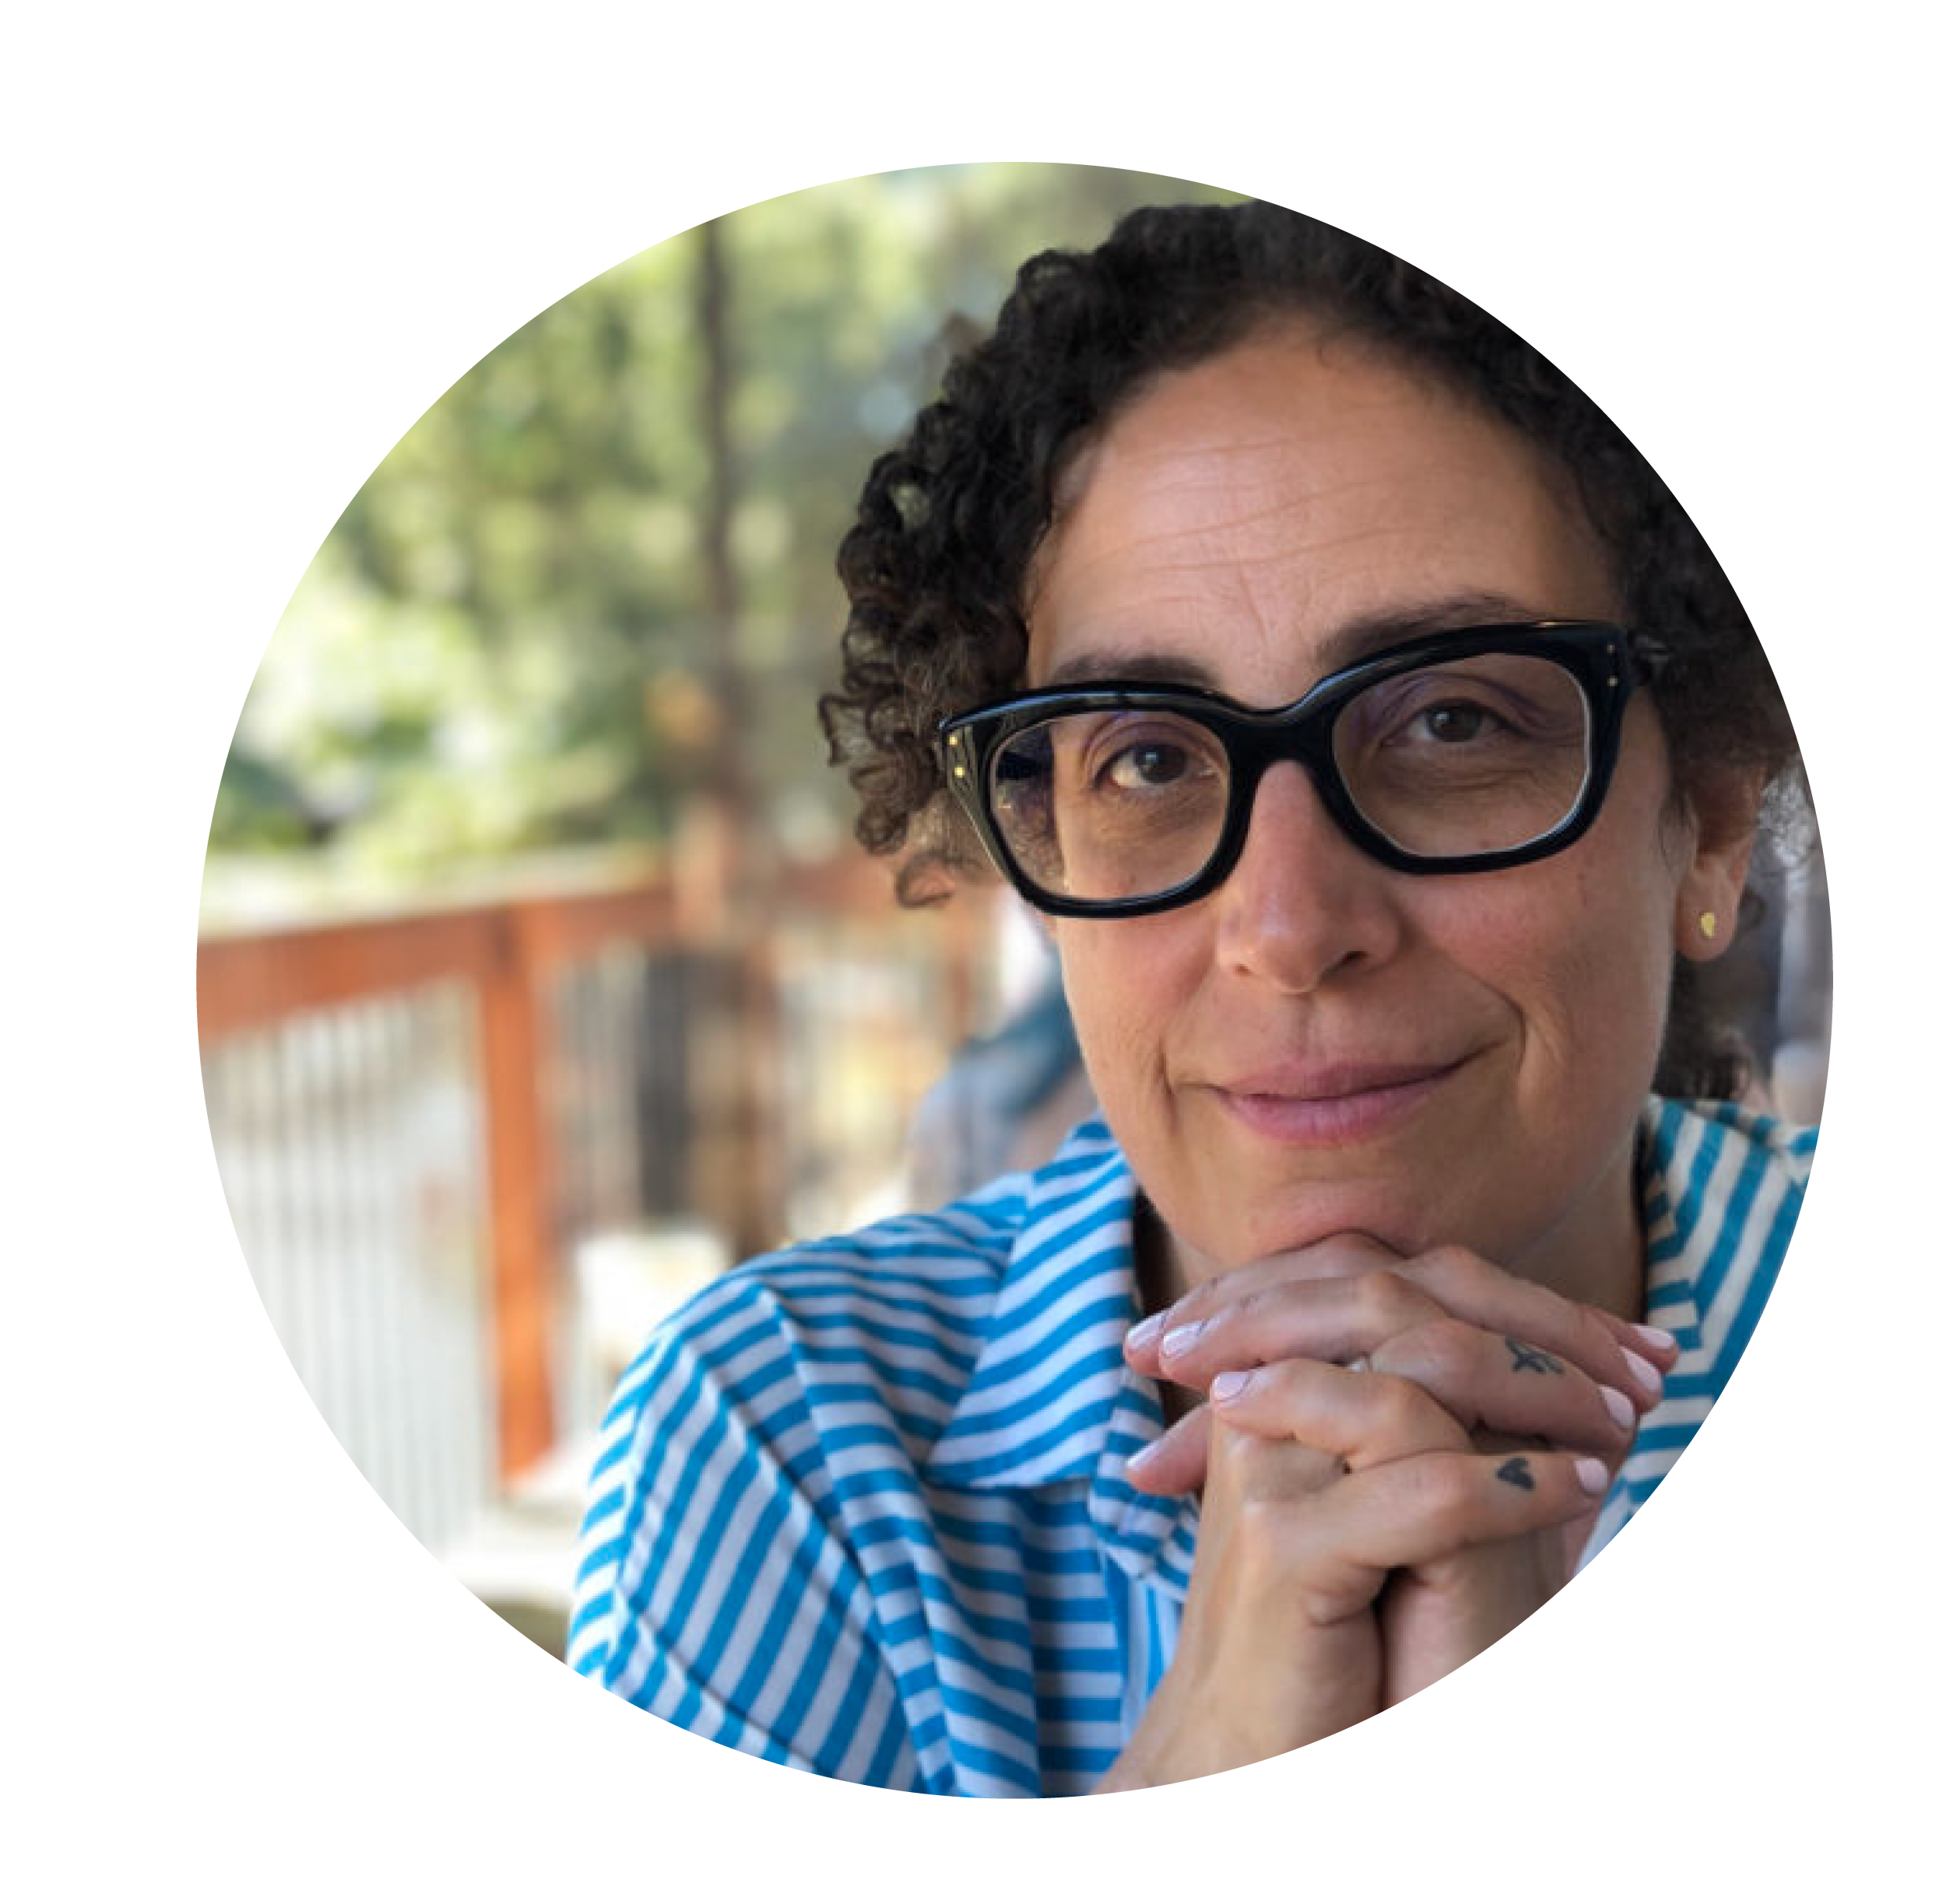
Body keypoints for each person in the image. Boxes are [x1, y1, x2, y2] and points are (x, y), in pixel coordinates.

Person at [567, 202, 1811, 1796]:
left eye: (1448, 724)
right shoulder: (796, 1449)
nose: (1285, 925)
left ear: (1701, 812)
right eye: (1144, 757)